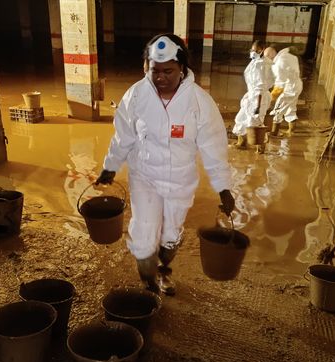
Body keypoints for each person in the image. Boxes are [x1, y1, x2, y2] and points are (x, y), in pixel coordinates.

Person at [95, 34, 235, 295]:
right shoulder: (136, 95)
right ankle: (148, 282)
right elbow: (123, 135)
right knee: (144, 235)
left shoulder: (199, 102)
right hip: (144, 178)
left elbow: (214, 148)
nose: (160, 77)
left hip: (180, 182)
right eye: (154, 70)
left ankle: (163, 269)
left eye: (168, 71)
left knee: (171, 234)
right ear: (147, 67)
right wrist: (110, 165)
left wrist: (224, 188)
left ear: (182, 68)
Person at [232, 40, 271, 150]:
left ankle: (261, 147)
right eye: (251, 50)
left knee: (256, 122)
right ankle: (242, 143)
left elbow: (260, 86)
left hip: (258, 98)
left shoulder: (261, 65)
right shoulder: (257, 61)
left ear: (262, 49)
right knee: (241, 118)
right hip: (252, 95)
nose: (252, 52)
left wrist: (258, 106)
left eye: (254, 50)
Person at [268, 45, 303, 137]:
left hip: (290, 89)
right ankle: (291, 130)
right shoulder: (287, 55)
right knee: (290, 107)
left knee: (278, 108)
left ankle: (274, 132)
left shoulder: (278, 64)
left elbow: (280, 85)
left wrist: (270, 98)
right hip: (297, 84)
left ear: (271, 56)